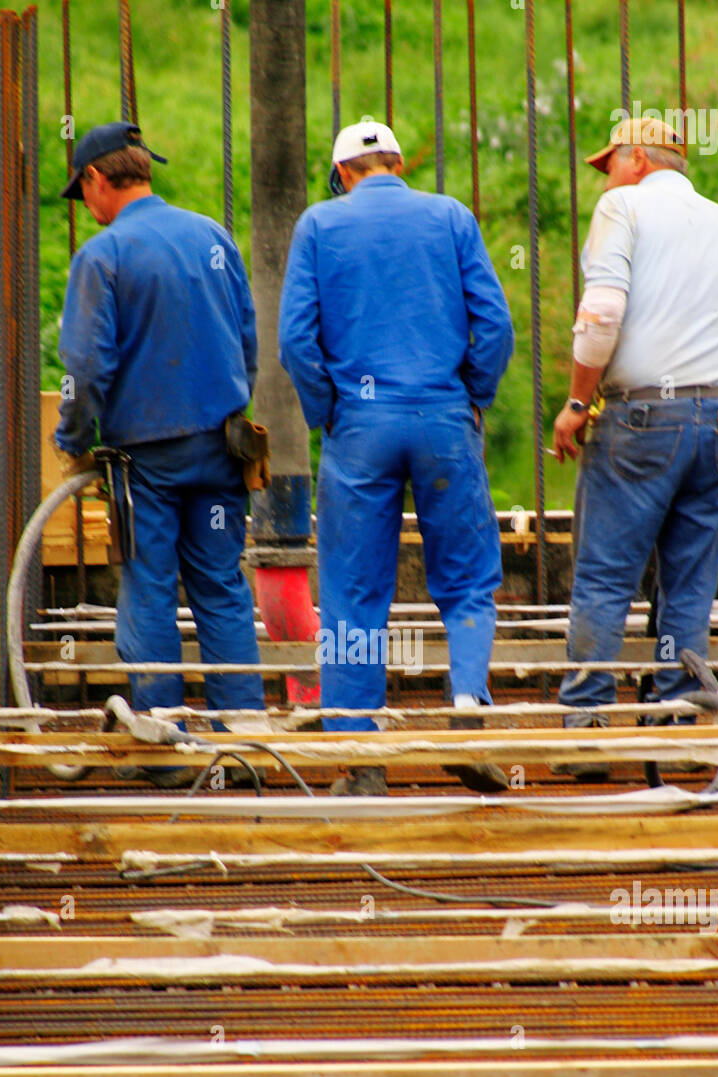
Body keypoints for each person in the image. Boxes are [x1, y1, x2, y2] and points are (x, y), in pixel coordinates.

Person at [279, 118, 514, 795]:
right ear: (399, 163)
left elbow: (297, 342)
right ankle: (467, 712)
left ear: (344, 173)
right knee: (467, 581)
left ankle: (361, 760)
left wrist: (331, 412)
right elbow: (495, 325)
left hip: (360, 424)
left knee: (353, 592)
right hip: (443, 418)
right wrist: (472, 396)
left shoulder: (320, 226)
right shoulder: (451, 217)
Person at [52, 121, 265, 786]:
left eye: (81, 191)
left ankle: (165, 744)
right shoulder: (211, 235)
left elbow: (86, 366)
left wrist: (73, 438)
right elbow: (247, 337)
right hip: (221, 446)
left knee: (147, 585)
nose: (84, 204)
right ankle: (245, 746)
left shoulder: (104, 255)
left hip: (144, 459)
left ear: (95, 180)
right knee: (222, 586)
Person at [551, 114, 718, 771]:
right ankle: (678, 718)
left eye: (608, 162)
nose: (603, 178)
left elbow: (601, 314)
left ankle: (587, 726)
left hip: (643, 419)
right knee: (690, 586)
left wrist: (579, 403)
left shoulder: (625, 206)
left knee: (606, 574)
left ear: (637, 158)